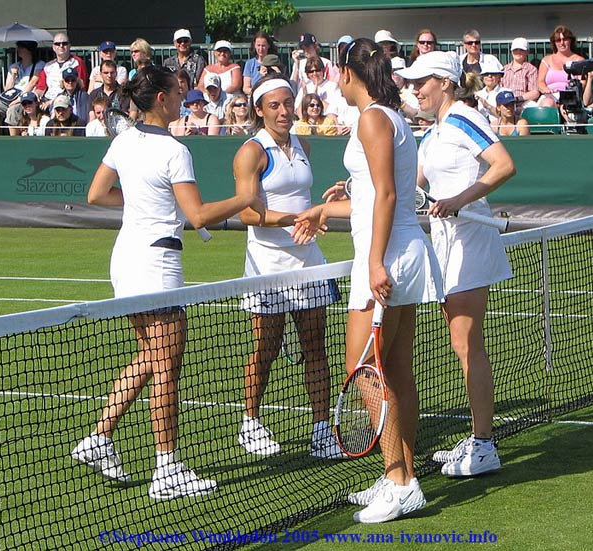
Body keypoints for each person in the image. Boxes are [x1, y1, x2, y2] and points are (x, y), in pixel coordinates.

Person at [71, 65, 264, 500]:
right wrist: (245, 199)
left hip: (126, 261)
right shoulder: (175, 152)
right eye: (178, 93)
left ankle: (99, 438)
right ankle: (167, 469)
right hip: (157, 264)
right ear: (161, 99)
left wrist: (147, 202)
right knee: (167, 369)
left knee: (149, 357)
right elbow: (197, 216)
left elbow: (97, 194)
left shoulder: (124, 141)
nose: (183, 98)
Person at [293, 38, 443, 523]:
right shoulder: (388, 118)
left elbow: (388, 195)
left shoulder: (373, 118)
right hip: (399, 254)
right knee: (395, 372)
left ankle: (399, 481)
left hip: (387, 260)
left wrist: (375, 262)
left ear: (346, 74)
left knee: (362, 371)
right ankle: (404, 477)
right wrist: (326, 206)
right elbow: (372, 194)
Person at [398, 50, 516, 477]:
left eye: (421, 82)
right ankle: (477, 436)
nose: (414, 90)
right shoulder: (433, 133)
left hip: (471, 239)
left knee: (467, 342)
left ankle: (484, 445)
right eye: (411, 84)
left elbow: (504, 165)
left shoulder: (465, 116)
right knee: (460, 342)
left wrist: (458, 201)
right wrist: (356, 190)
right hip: (446, 243)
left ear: (445, 83)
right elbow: (413, 185)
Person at [233, 73, 344, 460]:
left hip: (308, 259)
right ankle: (250, 423)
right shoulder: (252, 152)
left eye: (287, 103)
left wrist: (318, 211)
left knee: (316, 345)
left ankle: (321, 431)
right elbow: (247, 212)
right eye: (274, 105)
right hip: (267, 263)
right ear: (259, 110)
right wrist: (297, 218)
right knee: (266, 346)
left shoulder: (304, 145)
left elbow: (304, 199)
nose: (283, 112)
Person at [0, 41, 44, 136]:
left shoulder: (39, 65)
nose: (18, 50)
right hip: (10, 98)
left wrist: (18, 100)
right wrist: (13, 75)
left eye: (21, 48)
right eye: (18, 47)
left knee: (13, 110)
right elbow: (7, 89)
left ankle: (13, 140)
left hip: (25, 99)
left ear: (29, 50)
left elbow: (33, 82)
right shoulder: (14, 66)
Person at [34, 32, 88, 113]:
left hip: (67, 100)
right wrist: (36, 97)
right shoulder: (48, 66)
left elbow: (81, 86)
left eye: (64, 43)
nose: (61, 46)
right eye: (57, 44)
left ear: (69, 46)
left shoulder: (77, 62)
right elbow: (41, 88)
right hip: (46, 100)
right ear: (53, 47)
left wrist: (53, 102)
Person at [537, 25, 585, 107]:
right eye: (558, 40)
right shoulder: (547, 60)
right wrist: (546, 90)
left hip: (570, 98)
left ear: (570, 40)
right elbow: (540, 82)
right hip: (549, 97)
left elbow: (582, 83)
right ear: (554, 42)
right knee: (548, 103)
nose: (562, 43)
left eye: (565, 39)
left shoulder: (579, 60)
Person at [501, 38, 540, 107]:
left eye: (521, 50)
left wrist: (517, 99)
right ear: (511, 51)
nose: (518, 52)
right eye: (515, 50)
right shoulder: (504, 69)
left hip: (524, 103)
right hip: (505, 102)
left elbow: (535, 92)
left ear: (527, 52)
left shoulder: (531, 69)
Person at [243, 31, 277, 96]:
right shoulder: (249, 64)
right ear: (254, 45)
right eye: (258, 45)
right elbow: (246, 88)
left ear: (268, 45)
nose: (261, 49)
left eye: (263, 46)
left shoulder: (274, 62)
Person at [474, 59, 505, 124]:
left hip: (499, 128)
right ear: (482, 77)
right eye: (486, 74)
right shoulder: (477, 94)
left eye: (493, 74)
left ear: (499, 77)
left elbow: (506, 117)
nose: (489, 76)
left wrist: (488, 106)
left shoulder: (505, 93)